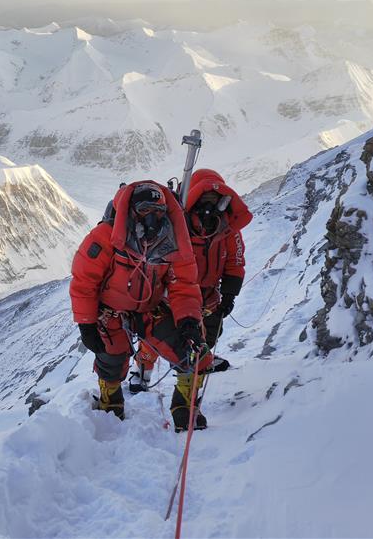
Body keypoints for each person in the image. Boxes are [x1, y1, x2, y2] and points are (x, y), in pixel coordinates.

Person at [70, 181, 209, 423]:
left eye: (158, 211)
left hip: (150, 309)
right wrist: (86, 323)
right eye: (145, 211)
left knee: (193, 352)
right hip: (110, 312)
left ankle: (184, 408)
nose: (153, 218)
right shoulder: (106, 237)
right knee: (110, 358)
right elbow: (84, 281)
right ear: (131, 211)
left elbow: (184, 285)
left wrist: (188, 320)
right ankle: (111, 402)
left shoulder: (173, 243)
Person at [130, 168, 252, 429]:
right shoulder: (176, 227)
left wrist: (229, 295)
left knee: (200, 346)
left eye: (214, 203)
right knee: (158, 340)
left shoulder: (228, 229)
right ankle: (142, 371)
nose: (208, 211)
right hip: (172, 295)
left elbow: (234, 262)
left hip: (208, 297)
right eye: (202, 202)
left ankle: (184, 405)